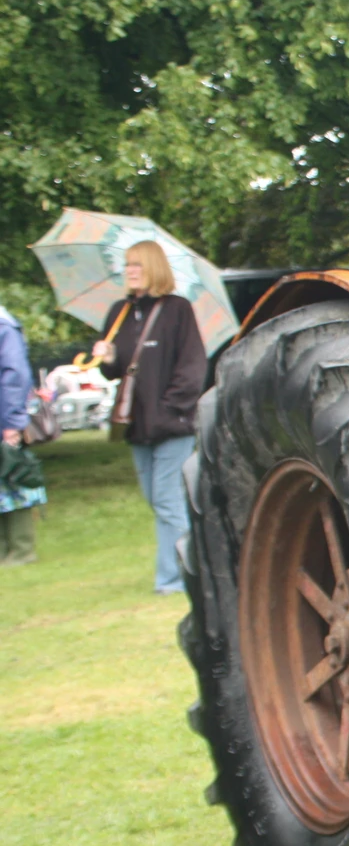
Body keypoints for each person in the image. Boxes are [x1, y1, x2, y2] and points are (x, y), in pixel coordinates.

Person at [93, 239, 207, 594]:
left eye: (137, 265)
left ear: (153, 268)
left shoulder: (177, 310)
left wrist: (170, 407)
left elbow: (192, 368)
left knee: (169, 500)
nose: (130, 271)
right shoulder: (119, 313)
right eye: (127, 265)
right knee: (156, 500)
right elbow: (114, 374)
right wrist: (106, 356)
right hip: (135, 425)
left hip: (173, 426)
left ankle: (175, 579)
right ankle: (184, 570)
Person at [0, 303, 45, 565]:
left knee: (13, 479)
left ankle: (21, 550)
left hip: (4, 416)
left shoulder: (3, 325)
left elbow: (15, 374)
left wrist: (12, 422)